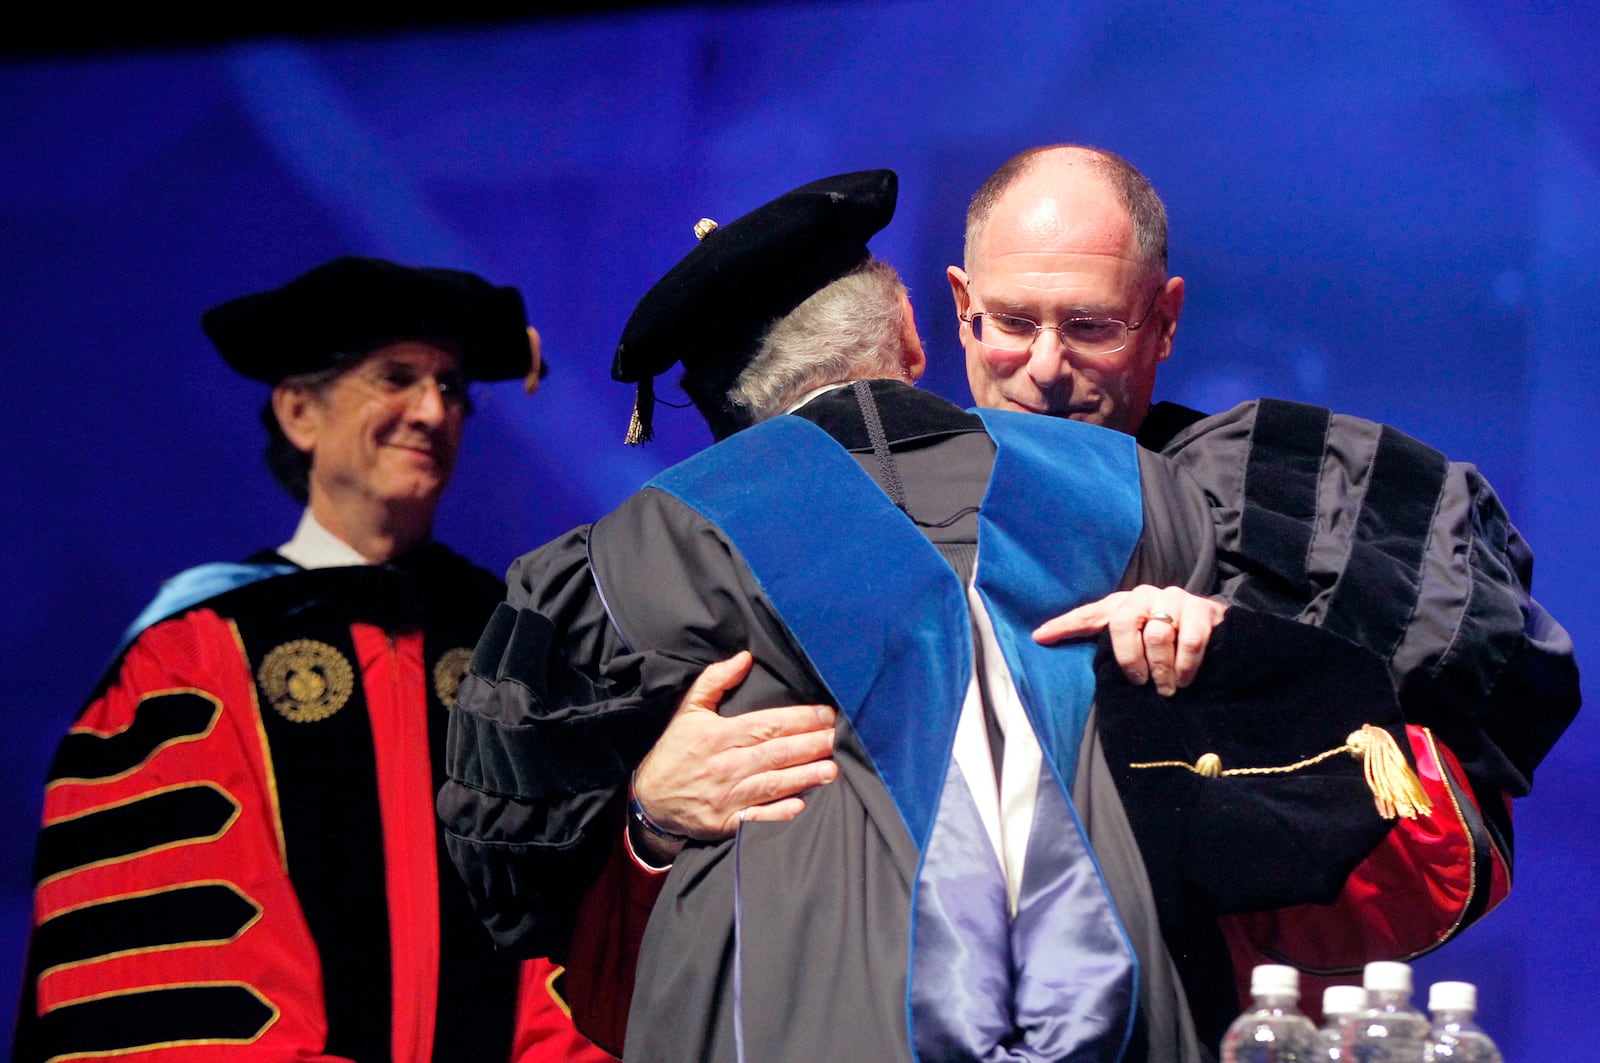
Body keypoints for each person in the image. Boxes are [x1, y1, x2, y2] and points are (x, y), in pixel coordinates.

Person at [438, 170, 1261, 1061]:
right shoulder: (1139, 492)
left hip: (786, 1012)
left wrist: (648, 816)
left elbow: (514, 885)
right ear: (913, 334)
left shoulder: (625, 560)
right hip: (1118, 1011)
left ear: (726, 408)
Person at [948, 144, 1580, 1042]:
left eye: (1091, 326)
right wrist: (662, 816)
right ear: (961, 307)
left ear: (1164, 322)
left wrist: (1245, 672)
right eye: (1012, 321)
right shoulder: (869, 523)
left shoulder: (1289, 514)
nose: (1046, 367)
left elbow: (1443, 866)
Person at [13, 257, 613, 1063]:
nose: (433, 409)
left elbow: (565, 941)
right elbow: (189, 980)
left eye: (452, 387)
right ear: (300, 411)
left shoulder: (512, 646)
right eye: (395, 378)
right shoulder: (193, 652)